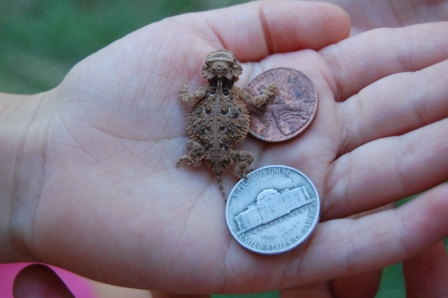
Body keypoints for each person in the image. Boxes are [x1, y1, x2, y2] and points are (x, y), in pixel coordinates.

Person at [1, 0, 448, 297]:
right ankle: (224, 175)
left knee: (215, 162)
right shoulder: (238, 96)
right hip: (221, 145)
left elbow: (187, 99)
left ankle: (211, 169)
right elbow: (255, 102)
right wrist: (267, 97)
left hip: (202, 144)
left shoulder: (203, 96)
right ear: (233, 73)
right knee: (230, 165)